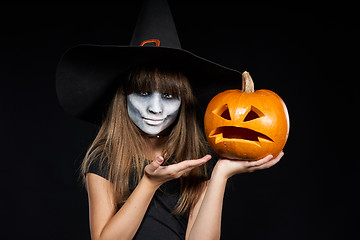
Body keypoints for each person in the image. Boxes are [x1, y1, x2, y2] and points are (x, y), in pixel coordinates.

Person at [80, 66, 283, 240]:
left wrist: (220, 174)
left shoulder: (199, 159)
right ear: (123, 97)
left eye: (168, 96)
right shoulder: (104, 158)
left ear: (183, 101)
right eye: (143, 93)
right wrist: (149, 183)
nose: (155, 109)